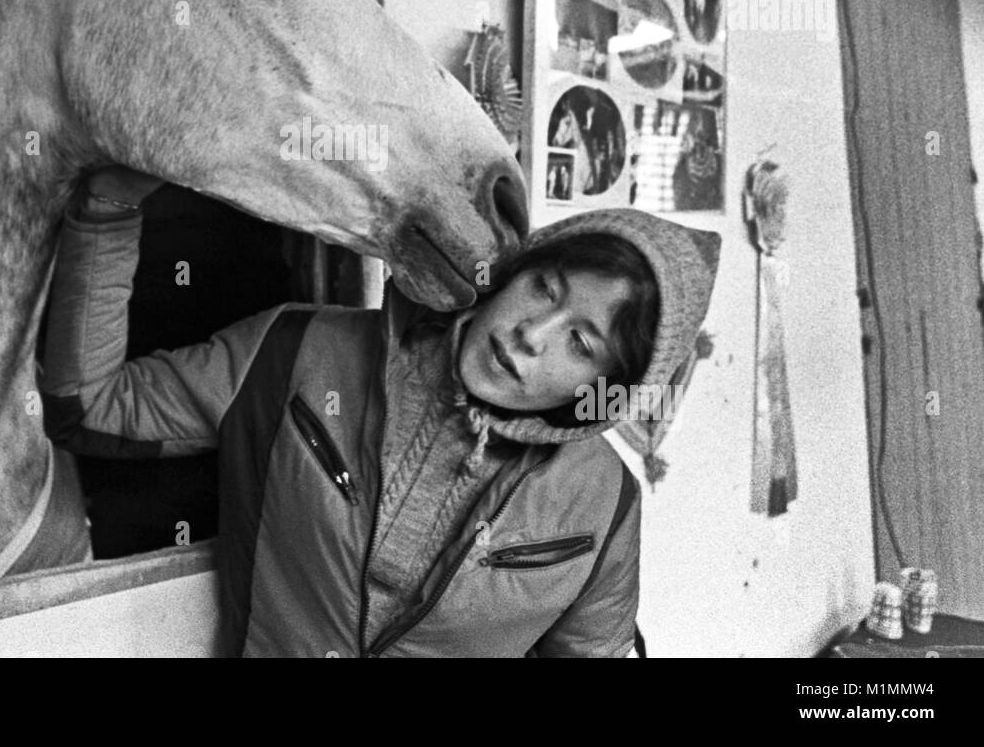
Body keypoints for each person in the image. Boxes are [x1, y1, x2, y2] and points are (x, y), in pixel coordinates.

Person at [39, 166, 721, 657]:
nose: (531, 335)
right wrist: (107, 207)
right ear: (513, 272)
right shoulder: (294, 352)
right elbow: (88, 405)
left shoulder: (604, 504)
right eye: (544, 287)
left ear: (604, 385)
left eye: (581, 341)